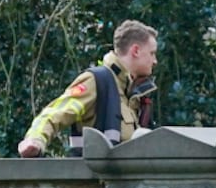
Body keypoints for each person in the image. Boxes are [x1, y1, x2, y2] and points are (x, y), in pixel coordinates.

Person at [17, 20, 159, 156]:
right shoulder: (97, 81)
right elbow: (53, 114)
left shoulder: (133, 94)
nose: (155, 61)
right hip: (90, 173)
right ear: (135, 51)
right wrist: (35, 140)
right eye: (152, 53)